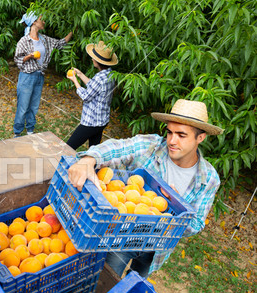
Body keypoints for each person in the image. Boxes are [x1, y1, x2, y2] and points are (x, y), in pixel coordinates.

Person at [67, 99, 224, 278]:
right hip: (123, 237)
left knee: (134, 282)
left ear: (200, 138)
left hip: (157, 249)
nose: (172, 141)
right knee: (107, 280)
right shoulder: (151, 146)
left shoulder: (208, 179)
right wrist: (89, 159)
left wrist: (180, 208)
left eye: (181, 135)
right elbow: (118, 147)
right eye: (170, 132)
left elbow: (196, 224)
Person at [13, 12, 72, 137]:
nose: (44, 22)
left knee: (34, 106)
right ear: (34, 22)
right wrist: (29, 56)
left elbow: (61, 43)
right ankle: (17, 132)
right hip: (27, 77)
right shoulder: (24, 41)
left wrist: (73, 30)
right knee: (23, 107)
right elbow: (17, 60)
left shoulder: (45, 40)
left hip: (39, 76)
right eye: (41, 19)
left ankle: (30, 130)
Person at [66, 41, 117, 150]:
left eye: (94, 58)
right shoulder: (110, 74)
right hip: (102, 121)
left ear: (98, 62)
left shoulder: (99, 78)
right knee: (93, 152)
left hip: (91, 122)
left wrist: (75, 81)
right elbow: (94, 87)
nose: (92, 59)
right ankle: (93, 167)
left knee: (68, 148)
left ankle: (61, 166)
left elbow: (86, 96)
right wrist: (80, 74)